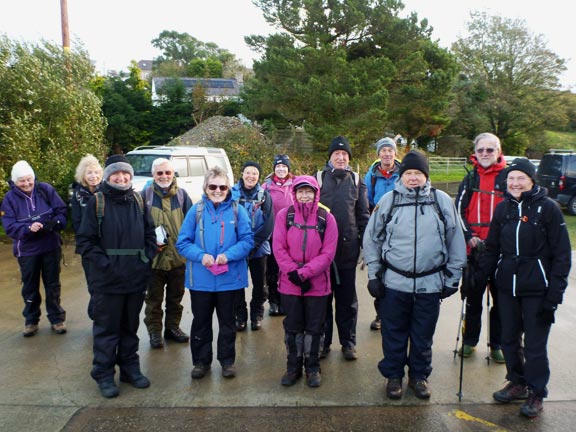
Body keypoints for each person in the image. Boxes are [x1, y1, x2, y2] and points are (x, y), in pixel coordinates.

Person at [363, 150, 466, 400]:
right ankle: (394, 376)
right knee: (393, 333)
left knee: (423, 335)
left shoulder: (441, 201)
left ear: (425, 176)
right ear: (402, 175)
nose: (413, 178)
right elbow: (372, 238)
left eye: (418, 173)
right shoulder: (389, 200)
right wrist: (374, 274)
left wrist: (453, 277)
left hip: (430, 284)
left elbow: (456, 241)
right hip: (395, 282)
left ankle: (419, 376)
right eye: (408, 173)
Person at [476, 158, 571, 419]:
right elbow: (493, 247)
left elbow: (562, 254)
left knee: (535, 345)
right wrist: (480, 276)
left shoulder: (548, 209)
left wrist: (555, 294)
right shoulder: (503, 208)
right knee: (508, 338)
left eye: (521, 178)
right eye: (511, 178)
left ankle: (536, 392)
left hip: (537, 289)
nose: (515, 183)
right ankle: (516, 382)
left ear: (531, 180)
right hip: (506, 286)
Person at [76, 154, 157, 398]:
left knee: (129, 328)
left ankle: (130, 369)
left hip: (134, 278)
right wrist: (105, 265)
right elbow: (85, 241)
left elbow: (150, 235)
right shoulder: (97, 202)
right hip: (107, 281)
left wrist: (144, 260)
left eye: (125, 174)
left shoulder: (138, 200)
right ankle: (103, 374)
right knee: (106, 330)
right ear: (108, 177)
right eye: (116, 174)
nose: (121, 178)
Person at [176, 166, 254, 380]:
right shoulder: (197, 210)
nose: (218, 190)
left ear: (228, 187)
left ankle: (227, 361)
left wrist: (228, 255)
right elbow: (182, 242)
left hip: (230, 279)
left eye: (222, 186)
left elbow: (247, 240)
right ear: (206, 187)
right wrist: (201, 256)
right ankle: (201, 362)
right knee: (201, 322)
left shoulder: (238, 210)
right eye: (213, 186)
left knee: (227, 323)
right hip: (201, 280)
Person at [273, 175, 338, 388]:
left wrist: (305, 273)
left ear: (315, 193)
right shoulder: (284, 215)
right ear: (294, 192)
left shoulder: (326, 218)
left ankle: (312, 367)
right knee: (292, 327)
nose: (304, 195)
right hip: (289, 284)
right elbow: (278, 247)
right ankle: (293, 367)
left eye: (308, 191)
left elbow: (328, 252)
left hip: (317, 284)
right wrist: (293, 272)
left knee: (314, 327)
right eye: (300, 191)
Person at [316, 136, 370, 360]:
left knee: (347, 301)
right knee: (323, 300)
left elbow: (363, 216)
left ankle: (348, 343)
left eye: (344, 155)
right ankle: (324, 342)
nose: (340, 157)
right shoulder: (318, 179)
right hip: (321, 253)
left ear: (348, 158)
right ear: (330, 157)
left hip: (348, 252)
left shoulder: (357, 181)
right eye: (336, 154)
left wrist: (365, 247)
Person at [454, 132, 507, 362]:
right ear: (475, 152)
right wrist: (469, 236)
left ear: (498, 152)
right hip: (475, 250)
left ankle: (497, 343)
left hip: (502, 251)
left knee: (502, 301)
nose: (485, 154)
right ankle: (469, 340)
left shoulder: (508, 178)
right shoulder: (470, 178)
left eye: (490, 150)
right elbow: (458, 211)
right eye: (481, 150)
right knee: (473, 298)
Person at [1, 160, 68, 337]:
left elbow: (62, 210)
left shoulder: (45, 190)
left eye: (29, 179)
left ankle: (57, 319)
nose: (27, 183)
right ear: (15, 182)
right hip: (27, 251)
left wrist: (54, 223)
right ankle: (31, 320)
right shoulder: (9, 199)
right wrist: (27, 229)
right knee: (30, 287)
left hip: (50, 246)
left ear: (33, 177)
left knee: (52, 284)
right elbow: (9, 226)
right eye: (21, 180)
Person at [142, 158, 193, 348]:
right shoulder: (144, 196)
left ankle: (172, 328)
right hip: (154, 259)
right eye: (160, 173)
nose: (164, 176)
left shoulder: (182, 196)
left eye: (167, 173)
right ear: (153, 175)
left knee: (175, 297)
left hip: (178, 258)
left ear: (173, 174)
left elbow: (192, 225)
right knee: (153, 299)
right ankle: (155, 332)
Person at [363, 137, 401, 331]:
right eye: (383, 151)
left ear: (395, 153)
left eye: (390, 150)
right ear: (378, 154)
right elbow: (365, 201)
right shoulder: (371, 176)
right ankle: (380, 314)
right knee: (379, 272)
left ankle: (395, 314)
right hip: (379, 230)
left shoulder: (404, 174)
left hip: (401, 231)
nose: (387, 154)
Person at [232, 161, 274, 331]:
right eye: (248, 172)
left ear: (259, 177)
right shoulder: (231, 194)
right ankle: (240, 316)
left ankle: (256, 314)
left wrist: (254, 244)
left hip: (259, 248)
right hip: (236, 248)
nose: (251, 176)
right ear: (242, 173)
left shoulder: (265, 195)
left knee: (260, 284)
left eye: (255, 173)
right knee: (237, 284)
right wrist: (241, 246)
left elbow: (269, 223)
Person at [70, 154, 103, 319]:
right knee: (93, 281)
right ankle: (96, 313)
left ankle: (99, 313)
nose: (93, 176)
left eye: (97, 172)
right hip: (88, 246)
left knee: (106, 281)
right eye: (89, 172)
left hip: (107, 244)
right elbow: (77, 223)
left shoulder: (106, 191)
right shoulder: (77, 195)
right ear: (83, 175)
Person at [262, 154, 295, 316]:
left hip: (292, 235)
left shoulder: (296, 184)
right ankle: (274, 301)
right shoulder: (266, 186)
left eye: (284, 166)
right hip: (272, 235)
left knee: (288, 269)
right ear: (274, 168)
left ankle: (286, 300)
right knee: (272, 270)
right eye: (278, 166)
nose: (281, 169)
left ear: (288, 168)